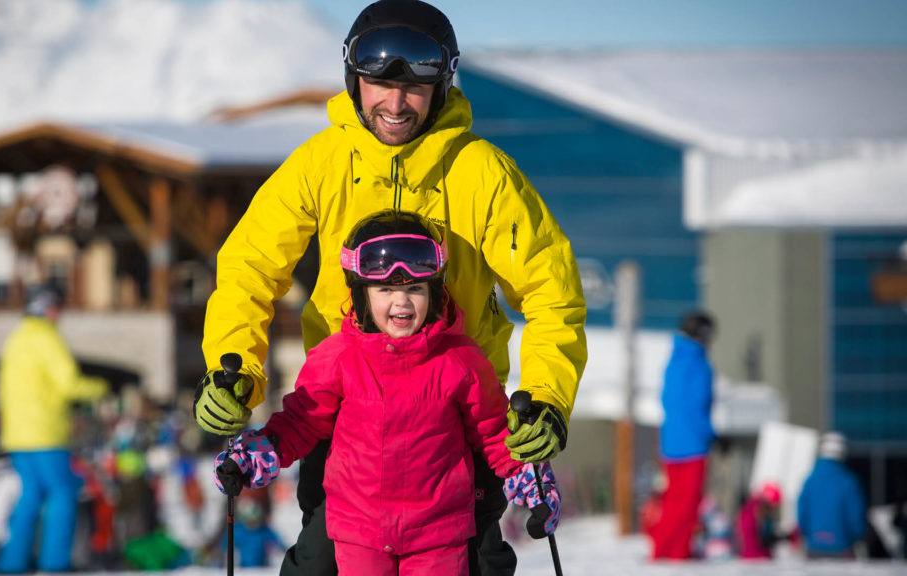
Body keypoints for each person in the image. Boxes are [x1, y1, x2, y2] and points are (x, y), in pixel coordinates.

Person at [193, 1, 587, 574]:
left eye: (414, 87)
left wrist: (547, 399)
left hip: (457, 416)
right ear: (354, 80)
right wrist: (233, 369)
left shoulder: (481, 173)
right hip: (342, 411)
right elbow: (249, 268)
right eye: (379, 83)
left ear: (442, 85)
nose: (395, 104)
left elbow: (552, 290)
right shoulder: (321, 164)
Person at [214, 212, 561, 575]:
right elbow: (302, 420)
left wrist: (530, 478)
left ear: (434, 291)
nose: (402, 302)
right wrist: (253, 456)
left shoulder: (460, 360)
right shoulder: (339, 357)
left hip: (438, 535)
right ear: (361, 294)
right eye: (386, 290)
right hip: (360, 533)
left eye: (415, 289)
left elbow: (492, 432)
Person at [0, 282, 108, 574]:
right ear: (49, 307)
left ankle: (12, 563)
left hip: (17, 435)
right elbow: (69, 384)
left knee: (30, 496)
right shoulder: (47, 338)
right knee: (63, 492)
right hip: (46, 433)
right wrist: (102, 387)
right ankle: (55, 563)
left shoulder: (16, 338)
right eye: (59, 306)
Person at [651, 310, 716, 560]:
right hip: (693, 444)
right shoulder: (699, 363)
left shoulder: (674, 359)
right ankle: (676, 554)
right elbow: (697, 406)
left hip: (671, 443)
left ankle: (662, 551)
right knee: (687, 505)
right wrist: (711, 436)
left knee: (672, 503)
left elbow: (670, 401)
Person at [797, 431, 866, 559]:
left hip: (814, 548)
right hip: (842, 548)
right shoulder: (848, 482)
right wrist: (854, 537)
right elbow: (855, 517)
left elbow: (802, 514)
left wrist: (810, 535)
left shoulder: (810, 480)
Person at [736, 482, 784, 560]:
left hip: (747, 557)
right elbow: (765, 538)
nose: (772, 511)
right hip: (758, 558)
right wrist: (785, 537)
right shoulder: (759, 511)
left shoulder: (748, 508)